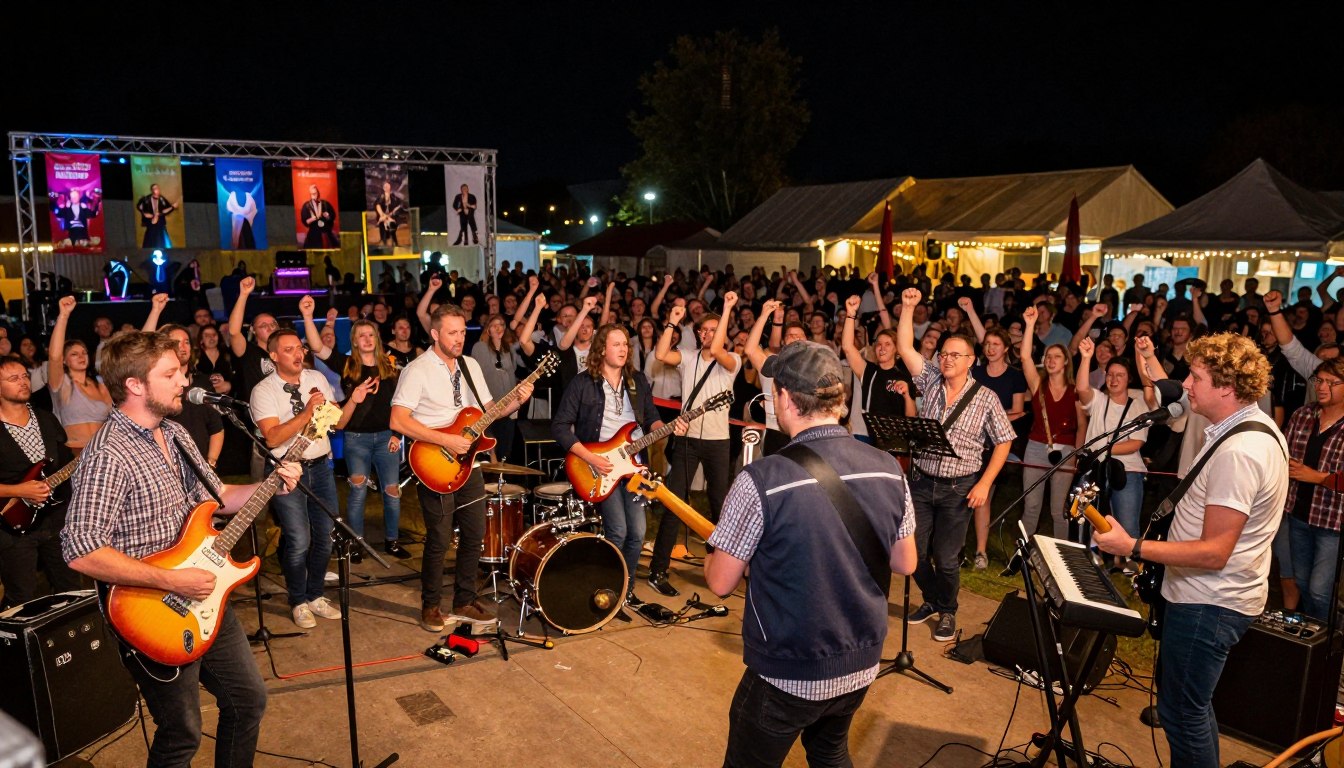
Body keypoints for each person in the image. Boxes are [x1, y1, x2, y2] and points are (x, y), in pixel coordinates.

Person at [61, 331, 300, 768]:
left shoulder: (174, 432)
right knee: (182, 733)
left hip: (205, 592)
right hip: (151, 607)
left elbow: (218, 496)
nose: (183, 380)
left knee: (248, 700)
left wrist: (273, 487)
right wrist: (172, 580)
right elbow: (80, 548)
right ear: (135, 385)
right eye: (170, 374)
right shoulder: (108, 453)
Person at [704, 341, 917, 768]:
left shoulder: (761, 478)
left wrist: (722, 543)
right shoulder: (888, 467)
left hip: (789, 668)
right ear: (839, 400)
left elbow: (720, 582)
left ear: (784, 398)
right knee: (829, 751)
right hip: (860, 659)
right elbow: (905, 563)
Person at [1094, 332, 1287, 768]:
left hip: (1209, 603)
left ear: (1226, 386)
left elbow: (1215, 552)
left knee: (1182, 714)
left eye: (1195, 377)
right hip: (1207, 597)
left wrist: (1133, 547)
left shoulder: (1241, 450)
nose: (1186, 384)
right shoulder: (1243, 428)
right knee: (1190, 708)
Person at [391, 304, 534, 633]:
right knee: (439, 539)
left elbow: (489, 412)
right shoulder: (417, 370)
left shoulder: (469, 365)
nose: (459, 339)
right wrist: (445, 439)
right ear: (435, 334)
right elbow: (397, 420)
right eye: (452, 333)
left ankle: (464, 600)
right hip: (434, 462)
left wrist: (517, 400)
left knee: (474, 533)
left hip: (468, 463)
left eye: (462, 332)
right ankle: (430, 605)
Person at [895, 287, 1014, 642]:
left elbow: (1005, 441)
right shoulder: (930, 380)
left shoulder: (985, 398)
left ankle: (947, 610)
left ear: (970, 360)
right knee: (911, 553)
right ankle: (932, 599)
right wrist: (907, 306)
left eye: (955, 355)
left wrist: (983, 484)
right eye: (944, 354)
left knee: (946, 559)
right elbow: (905, 347)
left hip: (958, 487)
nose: (946, 359)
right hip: (922, 480)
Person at [553, 324, 687, 616]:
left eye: (626, 344)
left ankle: (624, 593)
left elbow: (651, 419)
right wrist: (590, 457)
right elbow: (560, 427)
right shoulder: (582, 383)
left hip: (634, 467)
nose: (624, 349)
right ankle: (606, 588)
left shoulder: (637, 381)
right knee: (618, 530)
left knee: (638, 533)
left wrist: (667, 428)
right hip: (600, 466)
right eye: (616, 344)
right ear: (601, 349)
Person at [250, 328, 371, 628]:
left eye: (299, 348)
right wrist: (307, 412)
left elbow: (337, 421)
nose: (297, 354)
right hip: (287, 470)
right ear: (274, 356)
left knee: (324, 535)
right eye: (288, 349)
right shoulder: (263, 391)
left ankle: (315, 595)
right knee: (298, 539)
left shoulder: (316, 380)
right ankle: (297, 600)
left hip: (320, 467)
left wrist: (353, 400)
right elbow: (273, 436)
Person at [300, 297, 410, 562]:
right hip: (356, 439)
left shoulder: (391, 366)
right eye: (362, 335)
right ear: (354, 340)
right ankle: (357, 543)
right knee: (358, 490)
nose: (368, 338)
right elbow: (316, 347)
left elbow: (400, 403)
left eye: (371, 334)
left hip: (387, 437)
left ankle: (392, 541)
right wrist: (307, 315)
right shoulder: (348, 365)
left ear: (377, 338)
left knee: (392, 491)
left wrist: (397, 434)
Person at [649, 293, 742, 596]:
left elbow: (718, 349)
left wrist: (727, 308)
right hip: (687, 440)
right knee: (674, 503)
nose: (708, 335)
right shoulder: (688, 357)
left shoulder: (732, 361)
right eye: (704, 330)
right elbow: (661, 354)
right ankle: (658, 569)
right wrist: (672, 323)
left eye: (714, 330)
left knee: (719, 506)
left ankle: (723, 570)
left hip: (718, 442)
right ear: (698, 333)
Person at [0, 355, 82, 609]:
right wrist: (19, 490)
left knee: (72, 592)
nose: (23, 382)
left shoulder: (46, 418)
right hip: (11, 528)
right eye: (13, 378)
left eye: (25, 376)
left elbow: (67, 462)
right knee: (21, 599)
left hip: (56, 521)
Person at [1076, 337, 1156, 571]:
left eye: (1119, 375)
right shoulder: (1099, 401)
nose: (1113, 379)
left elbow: (1135, 444)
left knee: (1128, 524)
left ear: (1128, 378)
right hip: (1096, 471)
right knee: (1088, 516)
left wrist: (1102, 449)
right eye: (1110, 374)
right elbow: (1082, 389)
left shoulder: (1138, 405)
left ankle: (1134, 572)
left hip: (1127, 471)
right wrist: (1086, 357)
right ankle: (1089, 559)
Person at [1280, 358, 1344, 619]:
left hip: (1332, 523)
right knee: (1303, 584)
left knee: (1319, 590)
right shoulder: (1302, 415)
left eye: (1332, 382)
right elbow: (1282, 454)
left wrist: (1316, 477)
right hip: (1298, 514)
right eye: (1319, 380)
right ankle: (1315, 645)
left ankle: (1334, 638)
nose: (1322, 387)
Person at [1017, 306, 1084, 540]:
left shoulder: (1076, 391)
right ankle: (1021, 553)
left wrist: (1076, 452)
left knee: (1058, 510)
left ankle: (1061, 555)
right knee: (1031, 506)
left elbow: (1082, 425)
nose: (1050, 360)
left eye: (1056, 356)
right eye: (1047, 356)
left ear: (1066, 361)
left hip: (1066, 450)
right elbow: (1025, 357)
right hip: (1036, 446)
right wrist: (1029, 325)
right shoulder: (1038, 385)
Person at [47, 296, 113, 452]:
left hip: (104, 451)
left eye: (84, 353)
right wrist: (63, 315)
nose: (82, 356)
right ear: (65, 360)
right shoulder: (61, 383)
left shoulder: (100, 384)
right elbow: (54, 356)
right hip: (75, 452)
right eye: (74, 354)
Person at [136, 183, 178, 249]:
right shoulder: (146, 199)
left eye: (158, 188)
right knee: (149, 242)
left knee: (162, 242)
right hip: (151, 224)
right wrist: (145, 213)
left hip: (160, 225)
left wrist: (172, 207)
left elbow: (166, 210)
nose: (157, 190)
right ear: (152, 190)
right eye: (155, 188)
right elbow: (139, 207)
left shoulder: (162, 199)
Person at [372, 180, 403, 246]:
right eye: (385, 186)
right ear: (383, 188)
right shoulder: (381, 196)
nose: (386, 187)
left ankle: (394, 242)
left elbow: (400, 205)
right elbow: (377, 205)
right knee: (384, 222)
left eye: (387, 185)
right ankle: (384, 241)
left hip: (391, 216)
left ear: (390, 187)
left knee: (391, 223)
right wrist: (383, 215)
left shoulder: (393, 197)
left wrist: (391, 214)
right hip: (382, 216)